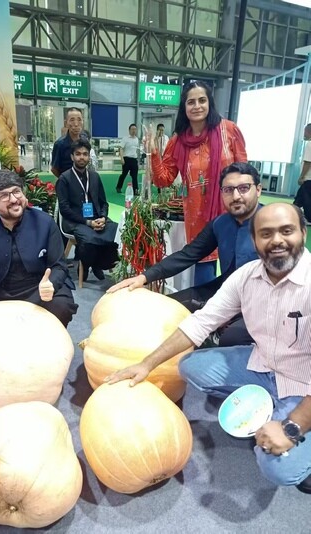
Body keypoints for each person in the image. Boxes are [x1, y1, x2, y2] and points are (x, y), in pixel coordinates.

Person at [106, 203, 311, 493]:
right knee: (191, 366)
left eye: (286, 231)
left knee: (279, 468)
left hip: (304, 384)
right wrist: (146, 364)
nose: (277, 240)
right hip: (264, 365)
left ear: (303, 233)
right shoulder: (246, 277)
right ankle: (272, 405)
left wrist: (292, 427)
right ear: (255, 241)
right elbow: (202, 322)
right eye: (266, 233)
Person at [108, 162, 262, 346]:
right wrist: (144, 277)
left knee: (230, 339)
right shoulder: (220, 223)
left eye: (244, 188)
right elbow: (188, 254)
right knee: (165, 310)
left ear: (258, 190)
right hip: (224, 290)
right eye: (228, 190)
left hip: (262, 302)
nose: (236, 196)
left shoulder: (274, 223)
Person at [150, 81, 247, 286]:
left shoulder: (229, 131)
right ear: (184, 107)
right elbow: (163, 179)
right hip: (198, 216)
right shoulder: (178, 141)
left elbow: (244, 172)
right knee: (204, 274)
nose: (197, 106)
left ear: (209, 103)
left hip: (232, 210)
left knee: (237, 269)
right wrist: (153, 154)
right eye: (191, 102)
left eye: (202, 100)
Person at [0, 169, 78, 327]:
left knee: (60, 306)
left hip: (38, 288)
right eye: (4, 195)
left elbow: (59, 266)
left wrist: (50, 285)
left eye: (16, 191)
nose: (14, 199)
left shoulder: (45, 223)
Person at [56, 139, 119, 281]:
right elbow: (64, 210)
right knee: (89, 239)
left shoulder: (94, 176)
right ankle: (85, 265)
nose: (82, 157)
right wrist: (88, 223)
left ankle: (97, 264)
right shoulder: (64, 179)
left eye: (85, 154)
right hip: (75, 221)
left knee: (117, 232)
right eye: (78, 154)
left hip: (96, 218)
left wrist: (103, 217)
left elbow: (104, 203)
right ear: (72, 157)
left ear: (89, 156)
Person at [51, 107, 84, 177]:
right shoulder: (59, 144)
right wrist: (64, 180)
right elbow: (54, 169)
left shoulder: (84, 142)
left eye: (79, 120)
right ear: (66, 123)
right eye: (72, 120)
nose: (76, 124)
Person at [293, 123, 311, 223]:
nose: (304, 134)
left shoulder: (310, 144)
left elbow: (308, 162)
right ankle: (293, 213)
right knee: (300, 198)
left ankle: (309, 218)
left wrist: (302, 176)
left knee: (306, 199)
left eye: (305, 131)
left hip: (308, 178)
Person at [116, 123, 140, 195]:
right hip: (126, 159)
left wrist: (138, 160)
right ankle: (118, 187)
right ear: (129, 130)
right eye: (132, 129)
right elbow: (121, 148)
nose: (134, 131)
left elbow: (137, 150)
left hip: (134, 159)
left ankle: (135, 190)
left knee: (135, 176)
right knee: (124, 174)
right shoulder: (125, 138)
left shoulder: (137, 139)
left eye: (135, 129)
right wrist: (122, 158)